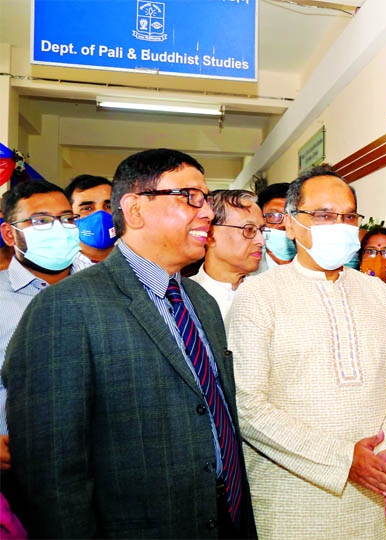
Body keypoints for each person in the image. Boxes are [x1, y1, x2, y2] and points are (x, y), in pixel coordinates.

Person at [2, 148, 256, 538]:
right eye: (189, 196)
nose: (206, 211)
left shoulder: (200, 301)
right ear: (135, 210)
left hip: (224, 516)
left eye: (205, 199)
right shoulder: (65, 307)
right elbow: (52, 472)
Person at [229, 164, 386, 539]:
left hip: (381, 495)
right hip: (296, 501)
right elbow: (247, 405)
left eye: (348, 216)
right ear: (289, 223)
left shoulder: (379, 294)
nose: (339, 224)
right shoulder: (259, 295)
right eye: (323, 215)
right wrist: (345, 459)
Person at [0, 180, 92, 471]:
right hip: (17, 469)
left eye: (66, 219)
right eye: (40, 221)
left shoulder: (107, 291)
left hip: (102, 467)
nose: (58, 229)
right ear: (9, 234)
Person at [190, 189, 266, 324]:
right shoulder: (185, 296)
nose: (261, 241)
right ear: (210, 234)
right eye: (249, 229)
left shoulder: (270, 292)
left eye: (262, 230)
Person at [65, 174, 117, 262]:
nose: (100, 215)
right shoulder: (57, 270)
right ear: (69, 217)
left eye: (109, 206)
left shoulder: (140, 264)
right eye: (87, 208)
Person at [255, 182, 295, 272]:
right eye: (274, 216)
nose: (283, 224)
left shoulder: (319, 266)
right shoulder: (246, 269)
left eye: (292, 215)